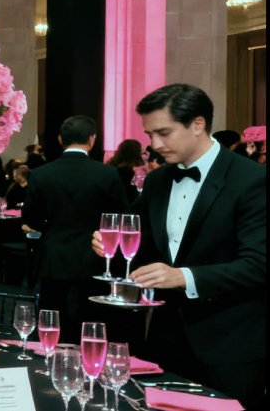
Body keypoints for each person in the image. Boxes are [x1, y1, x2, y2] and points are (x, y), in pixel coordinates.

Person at [89, 84, 265, 408]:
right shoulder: (158, 181)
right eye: (149, 134)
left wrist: (183, 277)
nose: (154, 145)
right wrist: (108, 245)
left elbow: (258, 266)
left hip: (230, 345)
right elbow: (140, 243)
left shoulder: (252, 180)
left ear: (197, 125)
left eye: (164, 133)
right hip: (166, 340)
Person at [22, 115, 128, 342]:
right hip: (94, 257)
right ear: (92, 139)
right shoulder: (107, 173)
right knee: (91, 322)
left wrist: (50, 226)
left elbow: (31, 217)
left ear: (61, 139)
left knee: (53, 321)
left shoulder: (41, 174)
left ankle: (51, 358)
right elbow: (120, 216)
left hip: (54, 257)